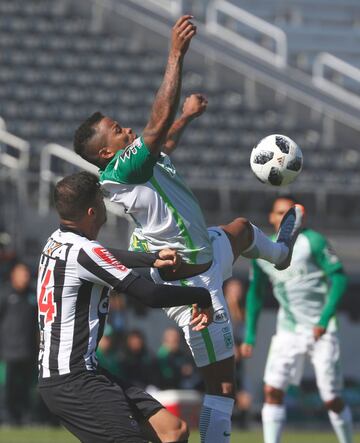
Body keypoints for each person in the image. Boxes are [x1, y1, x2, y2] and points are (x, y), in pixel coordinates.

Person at [73, 14, 304, 442]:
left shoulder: (141, 159)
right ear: (105, 151)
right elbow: (157, 127)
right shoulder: (120, 172)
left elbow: (166, 139)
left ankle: (281, 254)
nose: (126, 129)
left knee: (241, 230)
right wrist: (176, 54)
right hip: (189, 278)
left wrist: (187, 116)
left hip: (203, 252)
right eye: (117, 130)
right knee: (223, 387)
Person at [37, 171, 214, 443]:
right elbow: (150, 295)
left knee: (173, 431)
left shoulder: (55, 241)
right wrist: (202, 295)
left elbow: (102, 256)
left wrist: (151, 259)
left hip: (79, 374)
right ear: (92, 211)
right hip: (74, 381)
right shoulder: (86, 253)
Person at [241, 196, 352, 443]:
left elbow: (340, 278)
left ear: (301, 218)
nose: (284, 218)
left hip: (321, 330)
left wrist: (324, 319)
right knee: (272, 390)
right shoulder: (264, 249)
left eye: (288, 213)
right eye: (279, 213)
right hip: (288, 329)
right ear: (271, 217)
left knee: (331, 398)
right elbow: (255, 293)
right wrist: (250, 335)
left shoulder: (313, 241)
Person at [0, 262, 37, 425]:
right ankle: (6, 417)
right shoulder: (5, 295)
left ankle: (26, 417)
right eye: (21, 273)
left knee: (27, 389)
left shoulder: (33, 296)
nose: (25, 277)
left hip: (29, 352)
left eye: (26, 273)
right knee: (7, 388)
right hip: (8, 352)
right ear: (13, 275)